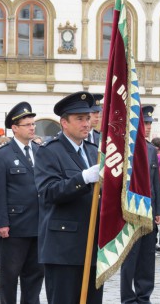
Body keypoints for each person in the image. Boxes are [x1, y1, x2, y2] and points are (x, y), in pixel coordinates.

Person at [34, 91, 103, 304]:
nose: (86, 123)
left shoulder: (93, 151)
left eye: (88, 118)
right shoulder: (49, 151)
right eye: (79, 119)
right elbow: (49, 192)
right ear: (64, 122)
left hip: (92, 242)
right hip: (63, 245)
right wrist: (83, 178)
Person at [0, 102, 44, 304]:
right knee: (10, 276)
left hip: (38, 225)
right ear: (15, 128)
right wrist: (1, 223)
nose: (32, 128)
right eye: (27, 124)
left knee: (35, 275)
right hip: (14, 227)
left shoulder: (40, 151)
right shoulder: (2, 155)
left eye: (33, 124)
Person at [120, 105, 160, 304]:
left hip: (148, 210)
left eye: (149, 123)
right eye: (143, 123)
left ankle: (144, 296)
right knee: (130, 258)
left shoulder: (150, 149)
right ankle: (128, 298)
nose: (147, 127)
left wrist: (158, 210)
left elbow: (155, 183)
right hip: (129, 210)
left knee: (147, 257)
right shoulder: (124, 148)